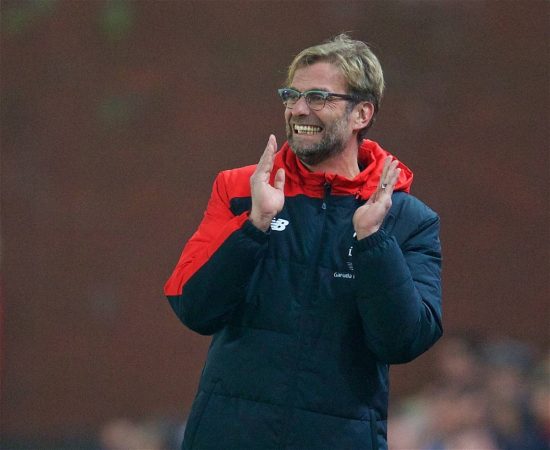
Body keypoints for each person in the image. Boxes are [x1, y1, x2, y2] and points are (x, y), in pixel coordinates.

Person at [164, 34, 443, 450]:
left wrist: (372, 240)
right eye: (291, 94)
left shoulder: (406, 219)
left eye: (318, 97)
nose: (297, 109)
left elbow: (402, 341)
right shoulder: (241, 190)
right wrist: (255, 226)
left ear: (361, 113)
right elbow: (194, 308)